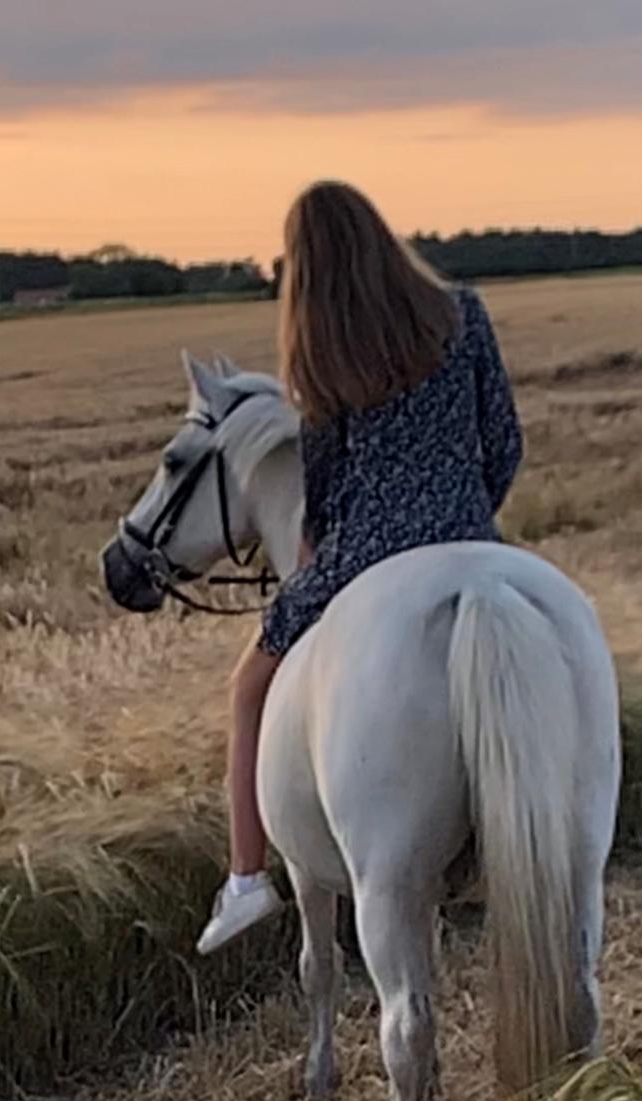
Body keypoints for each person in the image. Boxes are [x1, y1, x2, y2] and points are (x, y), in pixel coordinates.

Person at [197, 180, 523, 957]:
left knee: (247, 688)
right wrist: (466, 519)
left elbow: (325, 490)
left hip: (365, 551)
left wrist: (318, 554)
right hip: (470, 534)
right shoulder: (463, 313)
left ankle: (245, 879)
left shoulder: (318, 349)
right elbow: (503, 443)